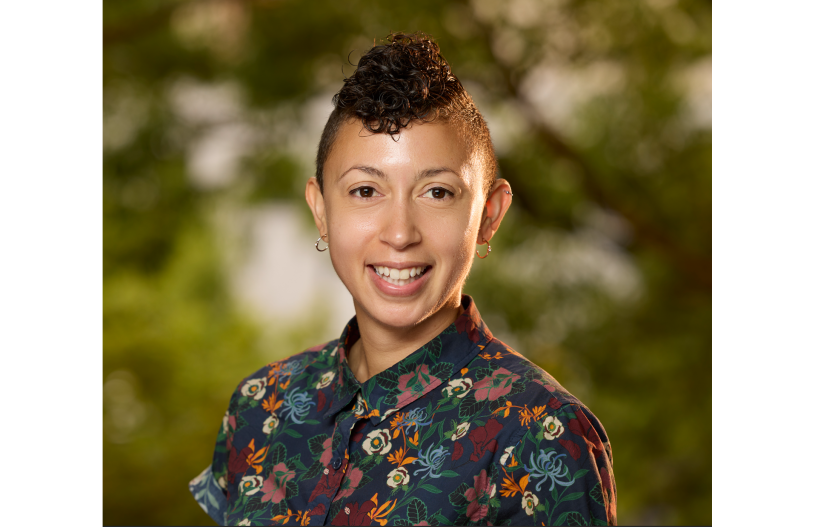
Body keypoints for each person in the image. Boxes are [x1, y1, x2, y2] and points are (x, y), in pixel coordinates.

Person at [190, 32, 617, 527]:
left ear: (489, 214)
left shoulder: (543, 433)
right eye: (366, 190)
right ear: (321, 209)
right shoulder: (262, 405)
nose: (399, 233)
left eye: (437, 192)